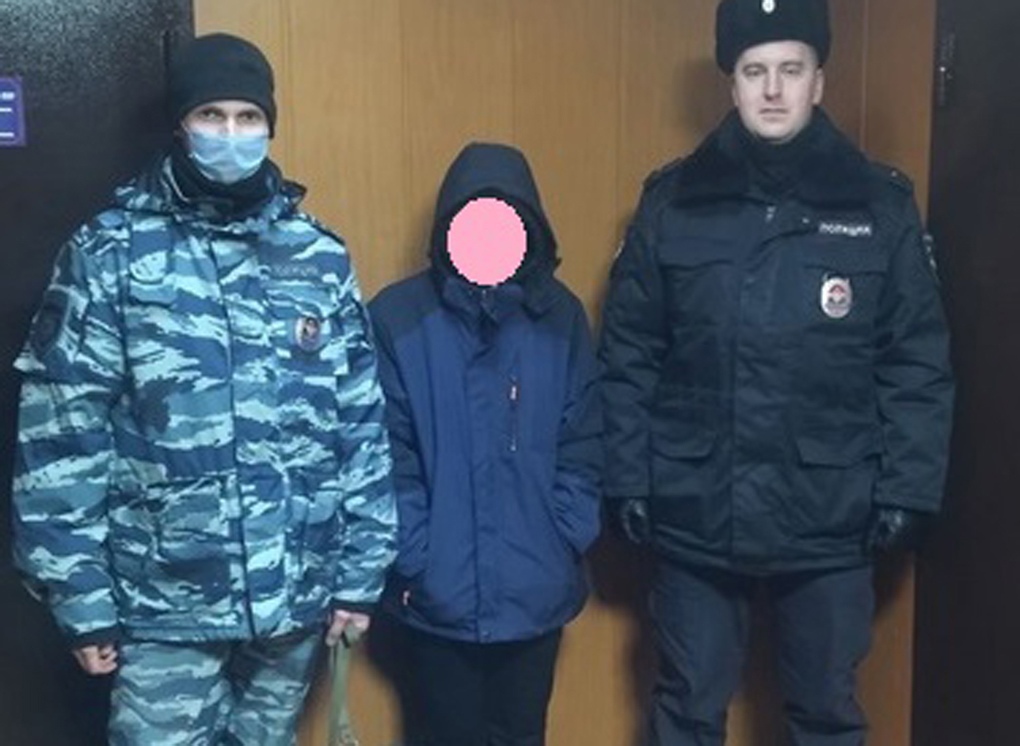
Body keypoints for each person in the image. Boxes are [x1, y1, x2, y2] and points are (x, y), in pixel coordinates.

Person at [11, 33, 396, 745]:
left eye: (248, 117)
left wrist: (359, 575)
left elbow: (360, 426)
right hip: (165, 602)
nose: (230, 133)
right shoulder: (111, 253)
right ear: (181, 125)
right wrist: (80, 597)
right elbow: (63, 432)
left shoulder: (317, 256)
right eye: (211, 115)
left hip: (293, 596)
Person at [599, 1, 954, 744]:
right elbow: (630, 353)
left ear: (818, 81)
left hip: (830, 511)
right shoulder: (673, 203)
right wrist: (627, 478)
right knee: (685, 708)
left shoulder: (878, 206)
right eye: (754, 71)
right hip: (694, 506)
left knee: (826, 713)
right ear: (731, 84)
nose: (771, 89)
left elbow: (915, 361)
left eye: (790, 70)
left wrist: (908, 488)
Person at [369, 142, 602, 746]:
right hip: (436, 593)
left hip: (535, 590)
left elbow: (584, 441)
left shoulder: (561, 318)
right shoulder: (398, 317)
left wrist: (564, 536)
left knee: (522, 735)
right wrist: (416, 556)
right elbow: (387, 454)